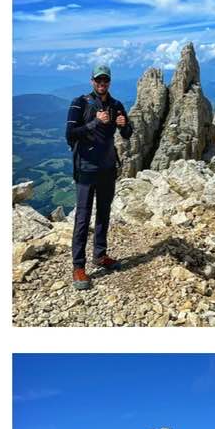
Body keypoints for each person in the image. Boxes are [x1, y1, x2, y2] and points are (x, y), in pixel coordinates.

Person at [65, 64, 133, 290]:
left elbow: (127, 133)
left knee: (104, 213)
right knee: (83, 218)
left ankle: (100, 255)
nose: (102, 84)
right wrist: (95, 121)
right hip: (85, 170)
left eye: (105, 81)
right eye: (98, 80)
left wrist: (125, 125)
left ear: (109, 82)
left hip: (107, 169)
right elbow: (70, 134)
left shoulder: (116, 105)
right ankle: (78, 267)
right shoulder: (80, 103)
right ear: (92, 81)